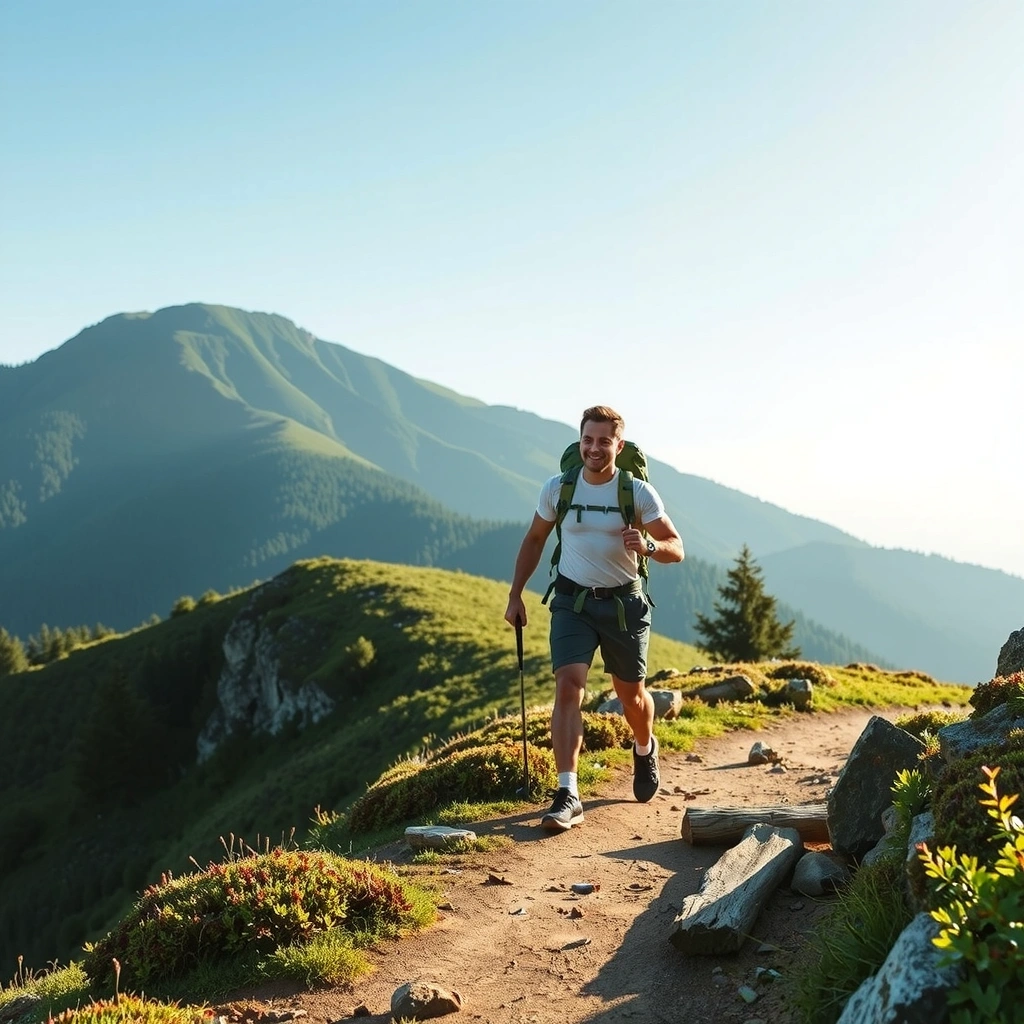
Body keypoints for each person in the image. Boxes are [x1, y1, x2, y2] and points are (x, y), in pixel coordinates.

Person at [504, 405, 684, 831]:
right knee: (568, 687)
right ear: (579, 442)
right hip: (572, 602)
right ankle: (568, 791)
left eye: (604, 441)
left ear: (618, 446)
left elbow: (675, 546)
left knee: (631, 699)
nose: (595, 448)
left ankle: (644, 746)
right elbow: (534, 539)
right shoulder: (558, 488)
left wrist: (648, 547)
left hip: (624, 605)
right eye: (588, 439)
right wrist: (515, 594)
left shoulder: (637, 493)